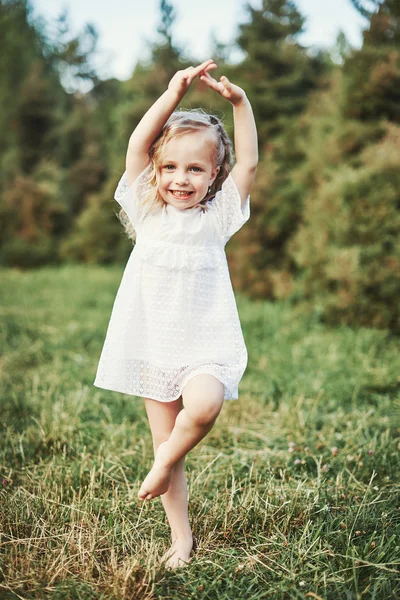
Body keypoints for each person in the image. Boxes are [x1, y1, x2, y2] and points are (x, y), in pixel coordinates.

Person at [93, 59, 258, 569]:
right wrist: (171, 93)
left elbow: (250, 164)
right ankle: (180, 537)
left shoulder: (218, 219)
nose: (180, 179)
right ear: (157, 173)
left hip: (205, 342)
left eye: (195, 169)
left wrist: (240, 103)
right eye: (170, 168)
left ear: (214, 176)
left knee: (204, 408)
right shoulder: (146, 212)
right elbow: (137, 147)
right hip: (153, 342)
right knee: (171, 442)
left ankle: (161, 463)